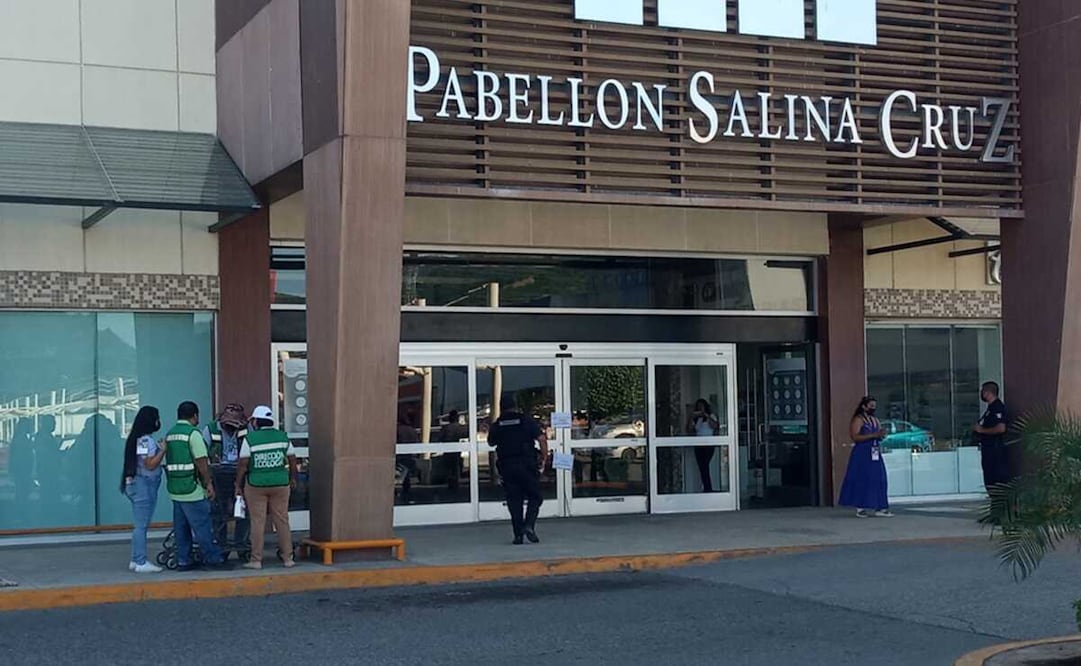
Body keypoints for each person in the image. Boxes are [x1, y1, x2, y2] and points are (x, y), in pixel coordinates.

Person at [164, 401, 225, 570]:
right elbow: (201, 462)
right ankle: (212, 558)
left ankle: (184, 560)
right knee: (202, 527)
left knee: (181, 529)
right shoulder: (193, 434)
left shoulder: (170, 434)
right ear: (195, 416)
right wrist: (208, 483)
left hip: (175, 488)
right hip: (192, 489)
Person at [236, 405, 297, 570]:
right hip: (281, 484)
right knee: (282, 521)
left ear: (256, 421)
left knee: (258, 522)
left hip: (256, 484)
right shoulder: (282, 437)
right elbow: (292, 460)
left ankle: (256, 560)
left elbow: (243, 464)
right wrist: (292, 478)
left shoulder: (250, 439)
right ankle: (288, 558)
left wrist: (238, 485)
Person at [488, 395, 548, 545]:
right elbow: (541, 439)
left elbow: (491, 442)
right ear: (515, 406)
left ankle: (518, 535)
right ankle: (529, 525)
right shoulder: (526, 420)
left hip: (507, 466)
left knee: (514, 501)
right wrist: (544, 458)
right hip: (526, 464)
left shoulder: (498, 424)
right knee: (535, 496)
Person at [120, 406, 167, 573]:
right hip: (144, 486)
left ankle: (135, 559)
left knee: (140, 524)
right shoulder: (146, 440)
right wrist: (162, 450)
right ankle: (140, 561)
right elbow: (149, 463)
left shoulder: (137, 439)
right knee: (141, 525)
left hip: (135, 485)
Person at [202, 403, 250, 554]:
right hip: (219, 473)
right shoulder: (210, 429)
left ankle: (241, 543)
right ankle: (221, 545)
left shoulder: (246, 429)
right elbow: (203, 454)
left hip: (240, 473)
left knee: (243, 509)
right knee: (219, 511)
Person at [838, 396, 892, 518]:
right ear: (864, 406)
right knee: (862, 478)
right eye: (871, 405)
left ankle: (880, 506)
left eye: (874, 406)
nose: (873, 408)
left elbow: (878, 434)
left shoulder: (875, 420)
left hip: (875, 451)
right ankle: (860, 506)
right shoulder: (858, 419)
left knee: (880, 478)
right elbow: (855, 437)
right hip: (862, 453)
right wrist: (873, 435)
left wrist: (881, 435)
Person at [974, 381, 1010, 489]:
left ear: (988, 392)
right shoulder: (990, 409)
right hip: (988, 450)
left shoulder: (997, 407)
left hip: (995, 451)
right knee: (989, 479)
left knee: (996, 480)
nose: (981, 394)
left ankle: (1000, 503)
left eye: (983, 391)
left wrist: (982, 430)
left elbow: (1001, 428)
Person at [688, 399, 720, 492]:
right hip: (698, 445)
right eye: (698, 406)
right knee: (702, 466)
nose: (700, 408)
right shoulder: (697, 419)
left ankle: (708, 488)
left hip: (709, 444)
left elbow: (714, 426)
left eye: (702, 406)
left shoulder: (711, 416)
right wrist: (692, 417)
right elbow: (690, 429)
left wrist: (706, 415)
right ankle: (707, 488)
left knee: (704, 465)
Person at [440, 410, 468, 490]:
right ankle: (455, 483)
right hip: (456, 452)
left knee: (449, 469)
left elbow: (440, 438)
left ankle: (451, 483)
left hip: (448, 452)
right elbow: (467, 433)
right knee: (456, 468)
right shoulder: (460, 427)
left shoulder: (446, 428)